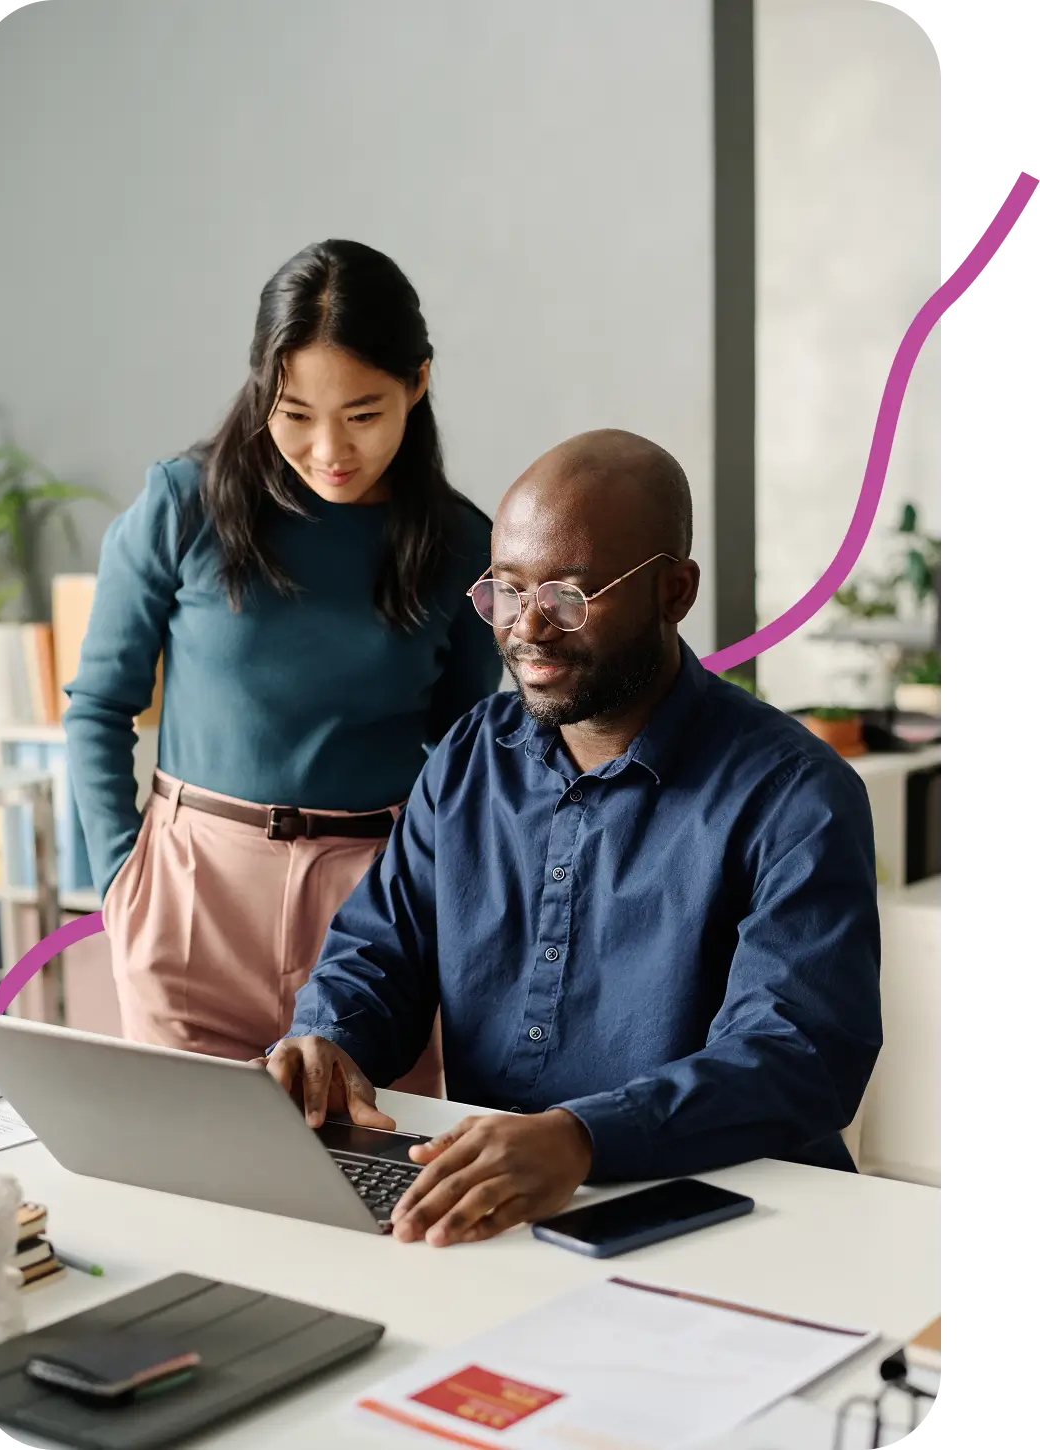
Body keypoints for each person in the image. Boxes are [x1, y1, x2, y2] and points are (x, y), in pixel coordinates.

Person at [263, 428, 883, 1247]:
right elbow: (379, 952)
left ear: (673, 591)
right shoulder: (468, 757)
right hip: (501, 1211)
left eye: (566, 597)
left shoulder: (795, 794)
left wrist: (583, 1137)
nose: (527, 629)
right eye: (506, 592)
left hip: (738, 1225)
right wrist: (328, 1042)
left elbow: (795, 1055)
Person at [64, 239, 503, 1084]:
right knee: (188, 1180)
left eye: (363, 413)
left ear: (417, 381)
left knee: (370, 1180)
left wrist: (439, 906)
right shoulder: (181, 502)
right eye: (295, 413)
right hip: (194, 893)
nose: (329, 448)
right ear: (261, 386)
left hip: (373, 912)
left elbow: (461, 758)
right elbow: (99, 704)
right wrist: (124, 879)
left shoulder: (461, 546)